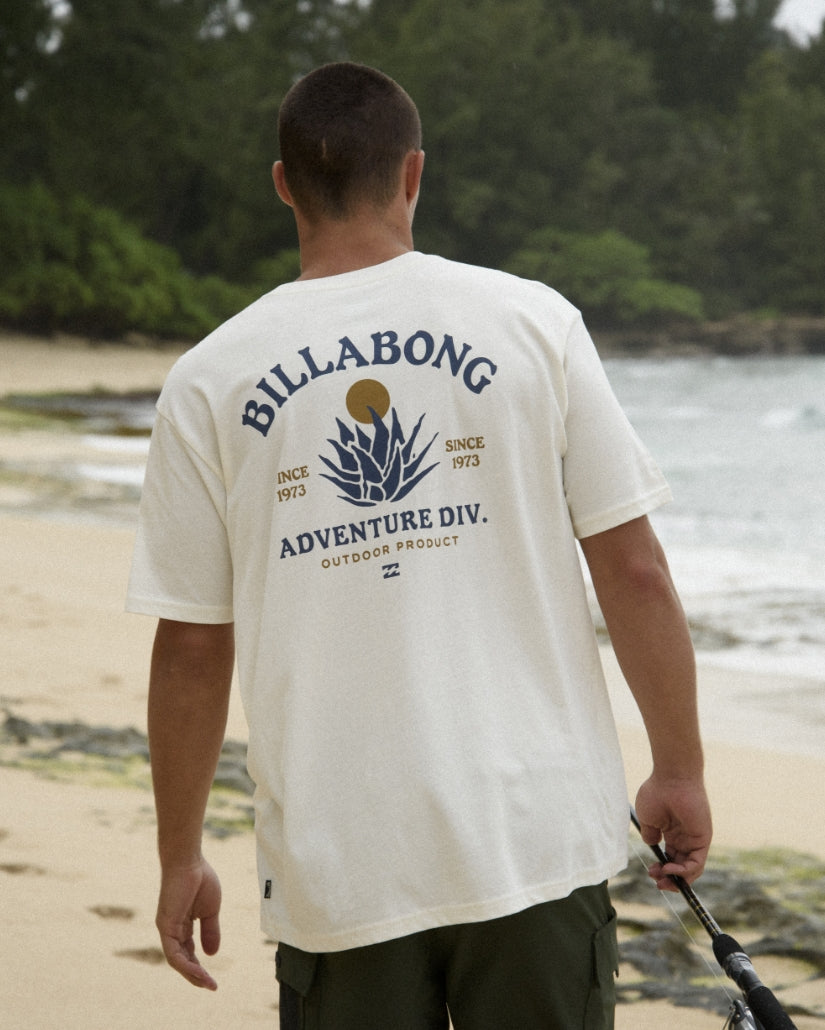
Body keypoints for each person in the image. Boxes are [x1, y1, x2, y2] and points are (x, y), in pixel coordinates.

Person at [127, 61, 711, 1029]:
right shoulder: (533, 321)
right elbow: (635, 569)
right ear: (413, 174)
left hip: (339, 864)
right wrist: (678, 768)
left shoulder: (208, 378)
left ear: (283, 186)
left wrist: (179, 853)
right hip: (530, 838)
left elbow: (191, 644)